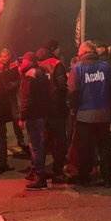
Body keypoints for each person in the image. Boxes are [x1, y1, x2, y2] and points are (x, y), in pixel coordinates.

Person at [67, 41, 111, 188]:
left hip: (84, 114)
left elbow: (73, 91)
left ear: (83, 53)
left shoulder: (78, 68)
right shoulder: (106, 67)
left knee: (85, 148)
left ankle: (84, 176)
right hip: (103, 113)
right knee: (104, 147)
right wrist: (110, 105)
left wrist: (72, 107)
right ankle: (107, 178)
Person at [36, 46, 68, 183]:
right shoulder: (57, 64)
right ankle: (58, 173)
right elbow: (62, 87)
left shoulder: (37, 65)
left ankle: (39, 172)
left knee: (42, 142)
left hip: (41, 110)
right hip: (56, 109)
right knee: (58, 142)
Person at [19, 52, 51, 190]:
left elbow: (27, 98)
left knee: (35, 146)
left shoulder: (30, 75)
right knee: (38, 145)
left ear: (29, 61)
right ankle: (36, 172)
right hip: (42, 114)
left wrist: (22, 117)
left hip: (33, 115)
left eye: (24, 61)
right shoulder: (41, 73)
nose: (22, 63)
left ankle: (39, 177)